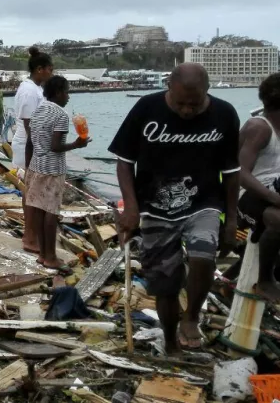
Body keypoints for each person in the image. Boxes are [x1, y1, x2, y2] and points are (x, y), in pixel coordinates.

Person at [109, 63, 239, 353]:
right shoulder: (146, 108)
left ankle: (191, 316)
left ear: (207, 91)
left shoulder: (225, 114)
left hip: (203, 202)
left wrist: (231, 220)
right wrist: (130, 208)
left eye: (195, 104)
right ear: (169, 87)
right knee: (165, 283)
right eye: (180, 103)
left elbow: (232, 172)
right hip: (154, 207)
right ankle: (170, 341)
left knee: (203, 253)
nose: (187, 111)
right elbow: (125, 162)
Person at [25, 76, 89, 271]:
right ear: (59, 92)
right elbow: (55, 146)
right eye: (67, 92)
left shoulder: (38, 111)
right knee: (51, 212)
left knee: (38, 210)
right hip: (53, 170)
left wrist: (28, 168)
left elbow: (30, 142)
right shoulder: (60, 115)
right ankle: (51, 257)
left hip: (36, 166)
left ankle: (43, 255)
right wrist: (77, 144)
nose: (68, 97)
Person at [238, 73, 280, 300]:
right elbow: (241, 174)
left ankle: (232, 277)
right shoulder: (259, 128)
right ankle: (264, 280)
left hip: (271, 193)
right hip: (245, 196)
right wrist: (274, 198)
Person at [13, 46, 54, 254]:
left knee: (32, 192)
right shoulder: (29, 90)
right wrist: (41, 152)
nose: (51, 74)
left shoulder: (37, 89)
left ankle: (32, 233)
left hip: (35, 145)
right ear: (40, 69)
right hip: (29, 146)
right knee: (32, 192)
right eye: (50, 69)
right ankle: (30, 237)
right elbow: (30, 125)